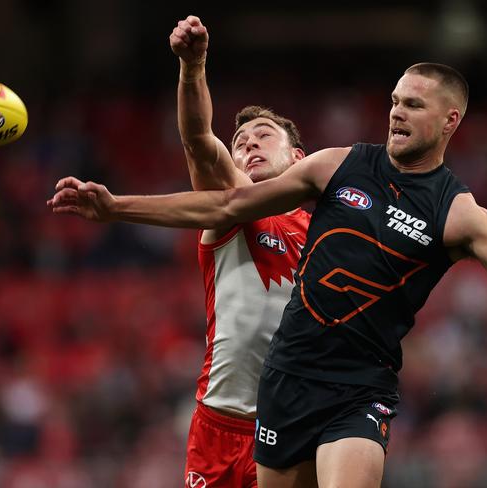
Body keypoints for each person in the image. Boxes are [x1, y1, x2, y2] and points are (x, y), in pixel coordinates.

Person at [48, 62, 487, 488]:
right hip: (285, 381)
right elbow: (227, 200)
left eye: (413, 104)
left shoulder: (461, 214)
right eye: (393, 101)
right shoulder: (337, 166)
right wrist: (116, 208)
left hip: (360, 389)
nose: (396, 113)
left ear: (451, 120)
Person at [162, 15, 311, 487]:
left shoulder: (329, 232)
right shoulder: (233, 210)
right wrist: (193, 67)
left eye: (264, 135)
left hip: (297, 422)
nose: (248, 146)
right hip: (221, 426)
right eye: (241, 143)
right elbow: (201, 144)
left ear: (298, 159)